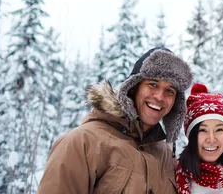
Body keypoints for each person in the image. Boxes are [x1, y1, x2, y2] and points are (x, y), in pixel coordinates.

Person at [38, 47, 193, 194]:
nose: (160, 96)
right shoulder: (83, 143)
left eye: (169, 91)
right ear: (133, 87)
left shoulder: (165, 155)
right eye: (152, 84)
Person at [176, 83, 223, 194]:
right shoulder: (173, 179)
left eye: (219, 130)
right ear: (190, 136)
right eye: (202, 130)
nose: (211, 139)